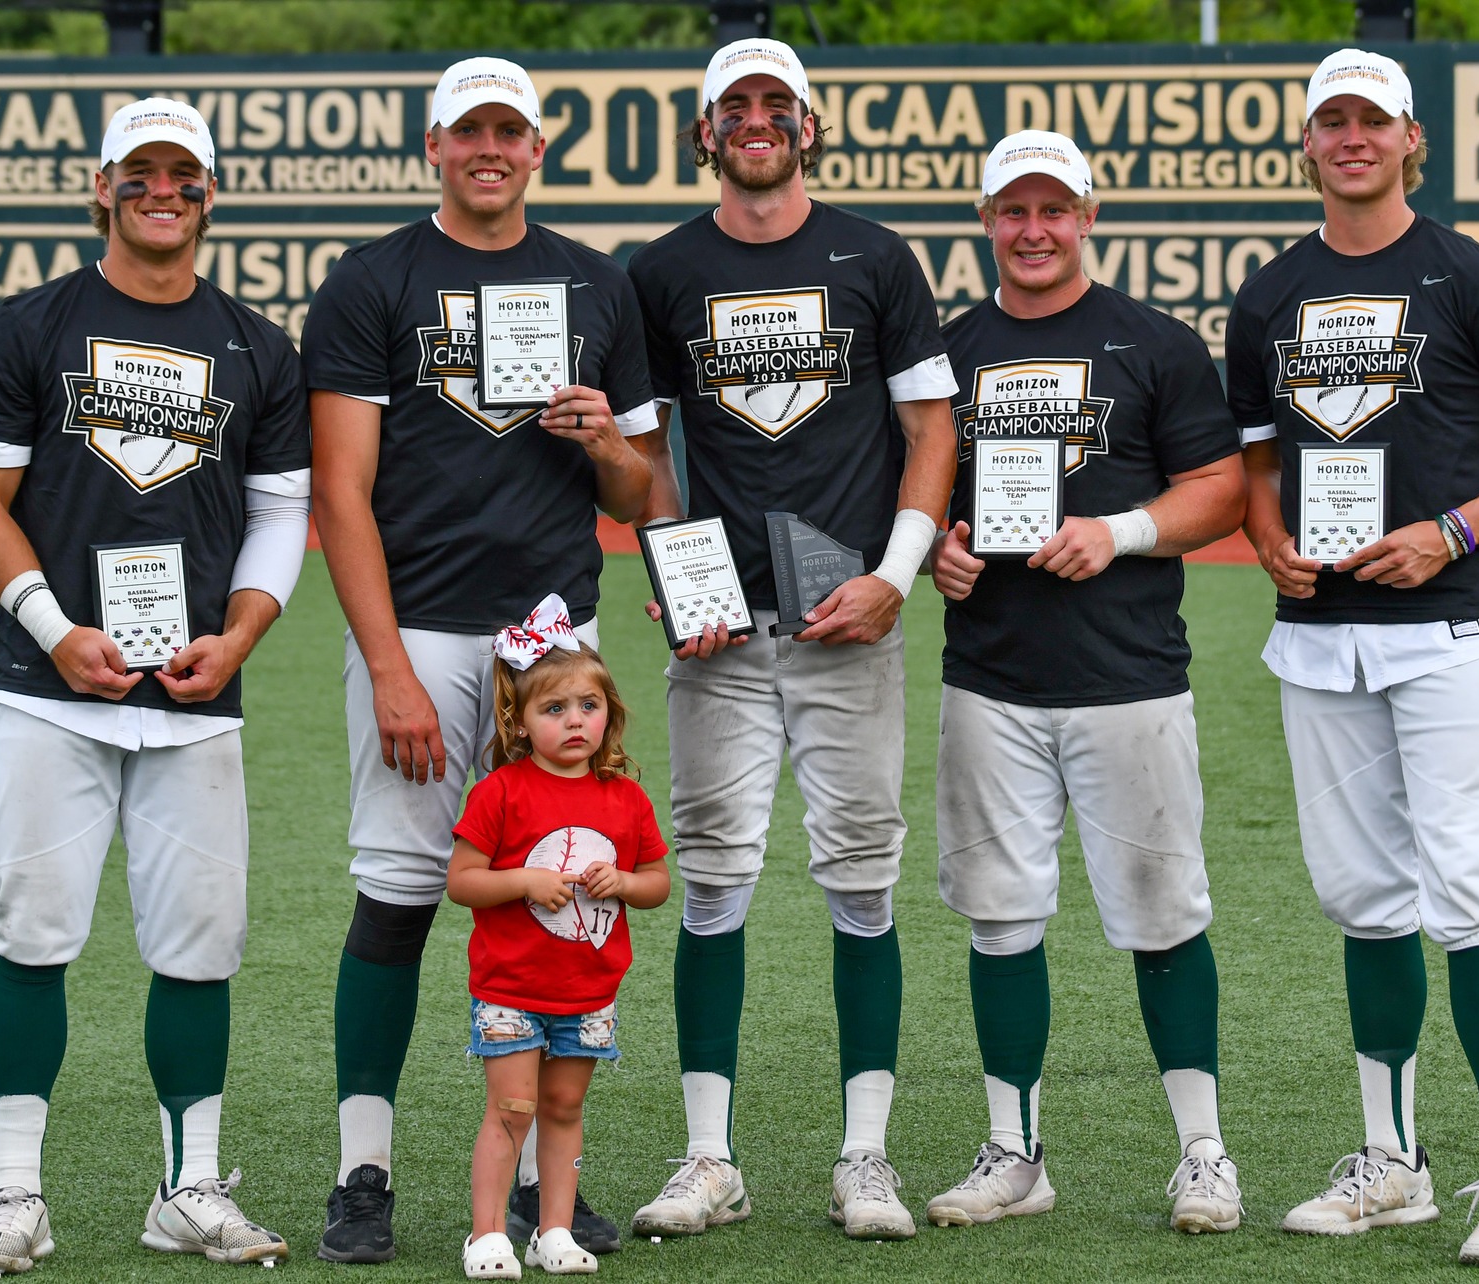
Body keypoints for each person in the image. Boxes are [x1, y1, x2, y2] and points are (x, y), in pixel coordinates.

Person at [1226, 49, 1479, 1267]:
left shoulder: (1466, 274)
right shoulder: (1268, 293)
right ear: (1306, 142)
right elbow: (1256, 463)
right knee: (1363, 904)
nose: (1349, 138)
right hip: (1322, 638)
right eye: (1328, 120)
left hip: (1453, 628)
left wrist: (1450, 532)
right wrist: (1270, 537)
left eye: (1369, 121)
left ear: (1408, 139)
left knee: (1471, 894)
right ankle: (1391, 1162)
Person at [303, 56, 657, 1263]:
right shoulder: (372, 280)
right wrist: (389, 666)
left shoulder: (595, 284)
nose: (489, 148)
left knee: (562, 890)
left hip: (556, 641)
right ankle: (365, 1169)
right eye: (469, 131)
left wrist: (604, 437)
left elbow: (638, 492)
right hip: (424, 632)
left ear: (538, 146)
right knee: (400, 892)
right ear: (434, 144)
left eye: (509, 130)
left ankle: (539, 1190)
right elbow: (341, 497)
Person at [0, 98, 307, 1275]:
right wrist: (53, 631)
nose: (165, 191)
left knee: (201, 947)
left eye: (184, 175)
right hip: (52, 688)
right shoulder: (32, 325)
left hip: (194, 695)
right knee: (34, 936)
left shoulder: (258, 344)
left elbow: (280, 513)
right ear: (100, 185)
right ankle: (15, 1195)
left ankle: (188, 1189)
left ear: (212, 192)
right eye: (140, 172)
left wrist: (241, 636)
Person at [625, 38, 958, 1242]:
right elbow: (645, 447)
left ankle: (862, 1156)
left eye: (776, 106)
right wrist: (675, 572)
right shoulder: (659, 269)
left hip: (845, 621)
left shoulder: (874, 256)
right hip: (720, 636)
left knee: (860, 883)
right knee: (711, 881)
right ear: (704, 132)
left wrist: (895, 577)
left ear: (808, 126)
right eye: (734, 108)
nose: (754, 123)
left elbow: (930, 429)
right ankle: (708, 1155)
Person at [924, 131, 1248, 1234]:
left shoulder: (1151, 342)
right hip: (991, 679)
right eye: (1011, 211)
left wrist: (1115, 530)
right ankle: (1014, 1151)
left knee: (1164, 916)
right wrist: (936, 552)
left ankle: (1202, 1153)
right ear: (984, 224)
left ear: (1088, 216)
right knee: (999, 919)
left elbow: (1220, 492)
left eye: (1051, 209)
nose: (1031, 230)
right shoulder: (946, 351)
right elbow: (913, 498)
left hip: (1127, 678)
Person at [447, 596, 671, 1278]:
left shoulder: (625, 797)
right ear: (518, 721)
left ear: (609, 713)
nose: (575, 721)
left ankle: (554, 1229)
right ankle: (487, 1235)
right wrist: (523, 880)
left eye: (588, 706)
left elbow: (658, 881)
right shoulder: (501, 793)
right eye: (554, 709)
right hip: (512, 987)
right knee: (512, 1108)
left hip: (588, 991)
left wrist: (624, 884)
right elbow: (462, 881)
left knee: (564, 1108)